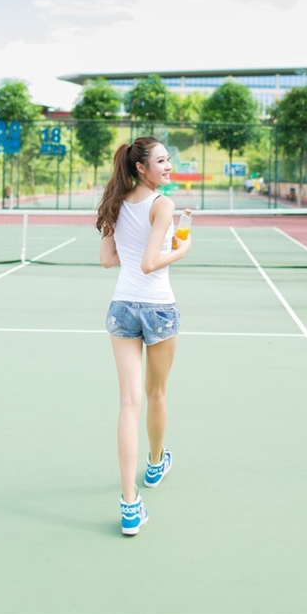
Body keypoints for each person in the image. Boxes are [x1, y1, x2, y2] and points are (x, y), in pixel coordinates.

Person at [96, 136, 192, 535]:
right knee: (156, 394)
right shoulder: (162, 204)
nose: (168, 166)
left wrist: (158, 239)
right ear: (141, 167)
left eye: (169, 160)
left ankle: (130, 505)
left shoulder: (115, 202)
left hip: (122, 307)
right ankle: (155, 465)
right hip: (158, 308)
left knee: (128, 404)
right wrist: (181, 252)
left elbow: (107, 260)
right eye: (161, 161)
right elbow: (152, 262)